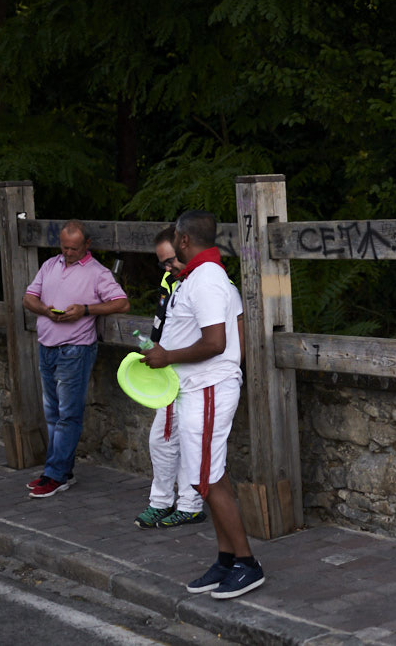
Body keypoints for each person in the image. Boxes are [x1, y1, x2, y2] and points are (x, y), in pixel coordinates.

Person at [141, 210, 263, 599]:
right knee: (211, 477)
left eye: (175, 237)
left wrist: (167, 357)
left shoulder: (207, 280)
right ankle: (226, 559)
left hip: (209, 387)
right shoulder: (202, 277)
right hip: (201, 388)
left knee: (206, 480)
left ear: (183, 239)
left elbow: (217, 343)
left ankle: (248, 564)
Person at [23, 220, 129, 498]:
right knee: (53, 413)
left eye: (73, 248)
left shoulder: (97, 272)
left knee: (67, 416)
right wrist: (46, 311)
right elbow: (28, 298)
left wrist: (85, 310)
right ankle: (60, 472)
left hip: (75, 349)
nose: (67, 252)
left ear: (87, 245)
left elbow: (121, 302)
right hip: (46, 346)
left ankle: (54, 475)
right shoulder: (50, 265)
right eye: (64, 246)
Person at [134, 227, 207, 529]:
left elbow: (217, 338)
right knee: (161, 441)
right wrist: (150, 346)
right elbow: (162, 320)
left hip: (198, 377)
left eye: (172, 260)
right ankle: (161, 502)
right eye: (162, 262)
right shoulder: (170, 280)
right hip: (170, 376)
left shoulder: (210, 283)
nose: (168, 267)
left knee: (193, 443)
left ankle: (191, 505)